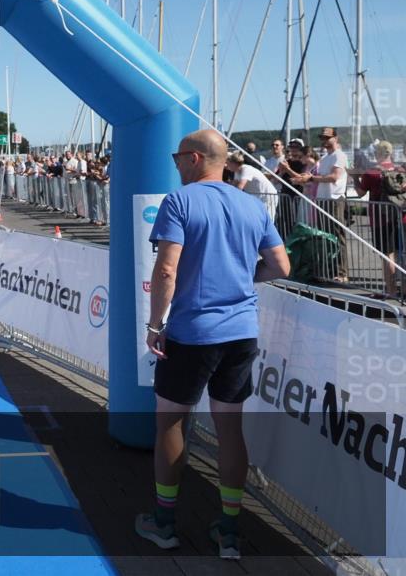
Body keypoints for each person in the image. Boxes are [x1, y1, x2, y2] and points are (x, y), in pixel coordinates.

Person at [135, 129, 290, 560]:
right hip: (241, 333)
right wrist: (243, 280)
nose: (176, 164)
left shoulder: (180, 201)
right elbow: (280, 265)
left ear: (197, 158)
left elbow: (166, 271)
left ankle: (164, 523)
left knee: (169, 423)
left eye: (179, 156)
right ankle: (229, 530)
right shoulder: (251, 205)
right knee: (230, 430)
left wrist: (154, 324)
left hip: (192, 334)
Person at [352, 140, 404, 298]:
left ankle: (391, 290)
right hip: (399, 216)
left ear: (377, 154)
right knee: (400, 253)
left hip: (380, 219)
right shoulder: (400, 170)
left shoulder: (371, 173)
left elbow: (360, 193)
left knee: (386, 255)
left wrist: (354, 177)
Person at [296, 127, 348, 282]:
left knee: (338, 236)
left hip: (334, 199)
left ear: (335, 138)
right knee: (324, 236)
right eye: (322, 138)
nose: (324, 140)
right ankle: (328, 269)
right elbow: (319, 176)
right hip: (322, 200)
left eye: (327, 137)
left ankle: (342, 272)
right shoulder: (325, 158)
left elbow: (334, 177)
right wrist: (308, 178)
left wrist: (311, 178)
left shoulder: (339, 156)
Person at [226, 151, 279, 222]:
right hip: (257, 197)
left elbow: (240, 187)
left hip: (267, 197)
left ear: (233, 163)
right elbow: (233, 185)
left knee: (268, 219)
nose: (226, 165)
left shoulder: (246, 169)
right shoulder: (237, 172)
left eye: (228, 163)